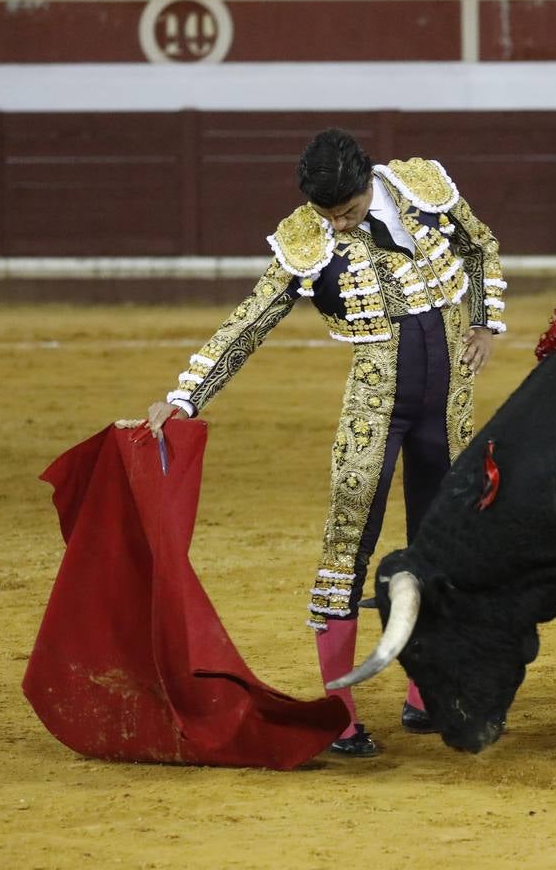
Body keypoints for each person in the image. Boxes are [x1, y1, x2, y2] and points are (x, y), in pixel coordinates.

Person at [145, 129, 506, 757]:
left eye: (349, 211)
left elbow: (480, 248)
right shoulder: (306, 241)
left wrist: (484, 321)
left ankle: (427, 693)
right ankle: (340, 714)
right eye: (330, 215)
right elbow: (249, 320)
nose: (340, 224)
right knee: (346, 547)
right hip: (375, 408)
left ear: (370, 182)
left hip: (449, 408)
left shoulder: (422, 186)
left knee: (445, 546)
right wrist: (185, 396)